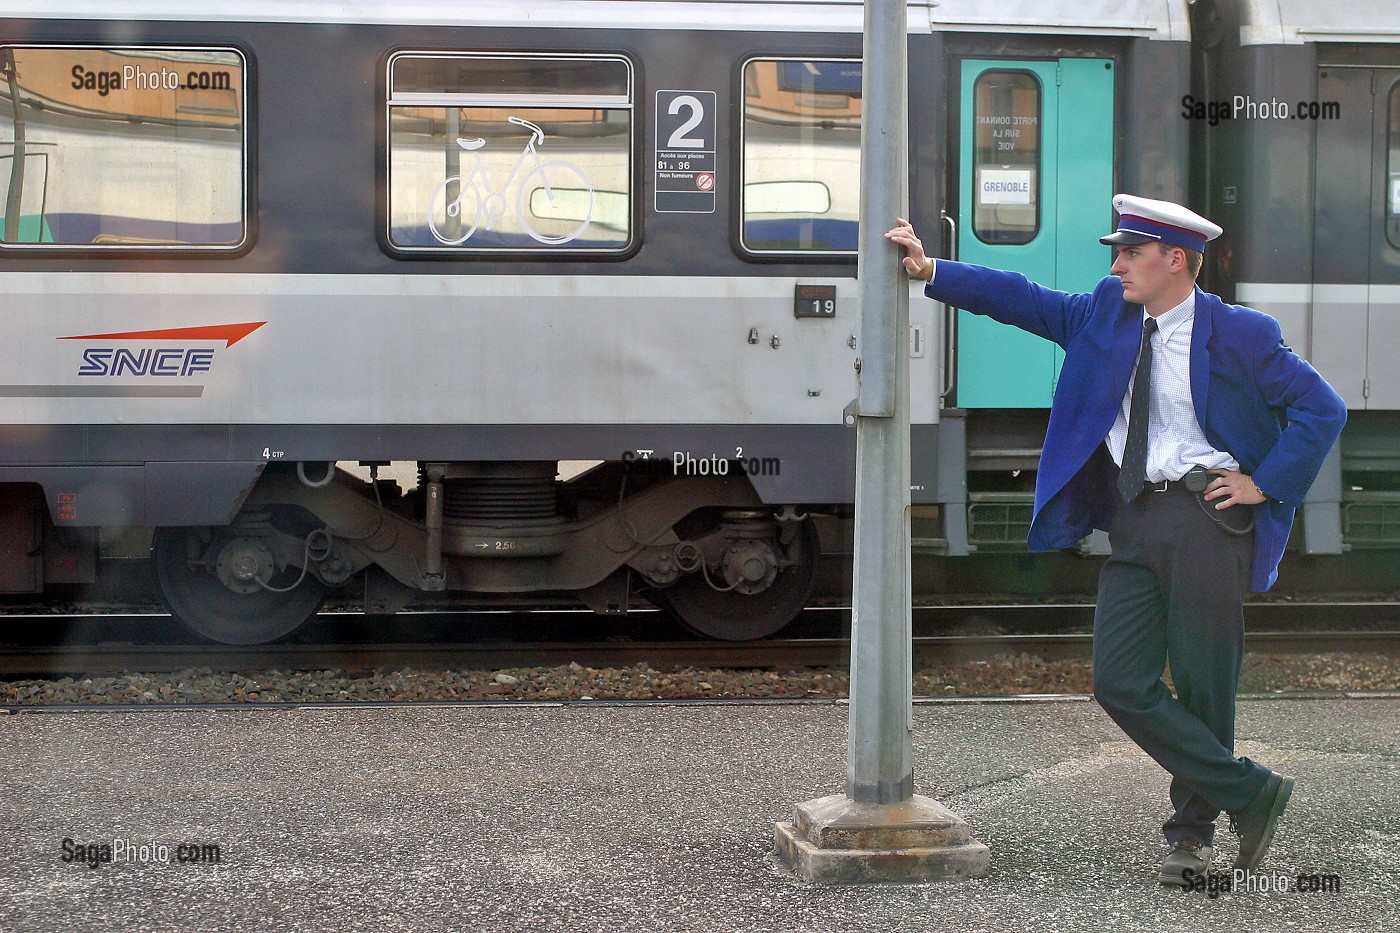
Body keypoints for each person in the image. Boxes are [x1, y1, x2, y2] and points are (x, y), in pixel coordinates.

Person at [886, 195, 1346, 886]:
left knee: (1203, 683)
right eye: (1117, 251)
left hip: (1208, 519)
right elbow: (1024, 298)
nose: (1117, 262)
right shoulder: (1104, 313)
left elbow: (1322, 406)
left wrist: (1264, 482)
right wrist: (933, 269)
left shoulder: (1242, 332)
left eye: (1131, 252)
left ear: (1176, 261)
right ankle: (1251, 790)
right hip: (1135, 519)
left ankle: (1191, 838)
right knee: (1118, 680)